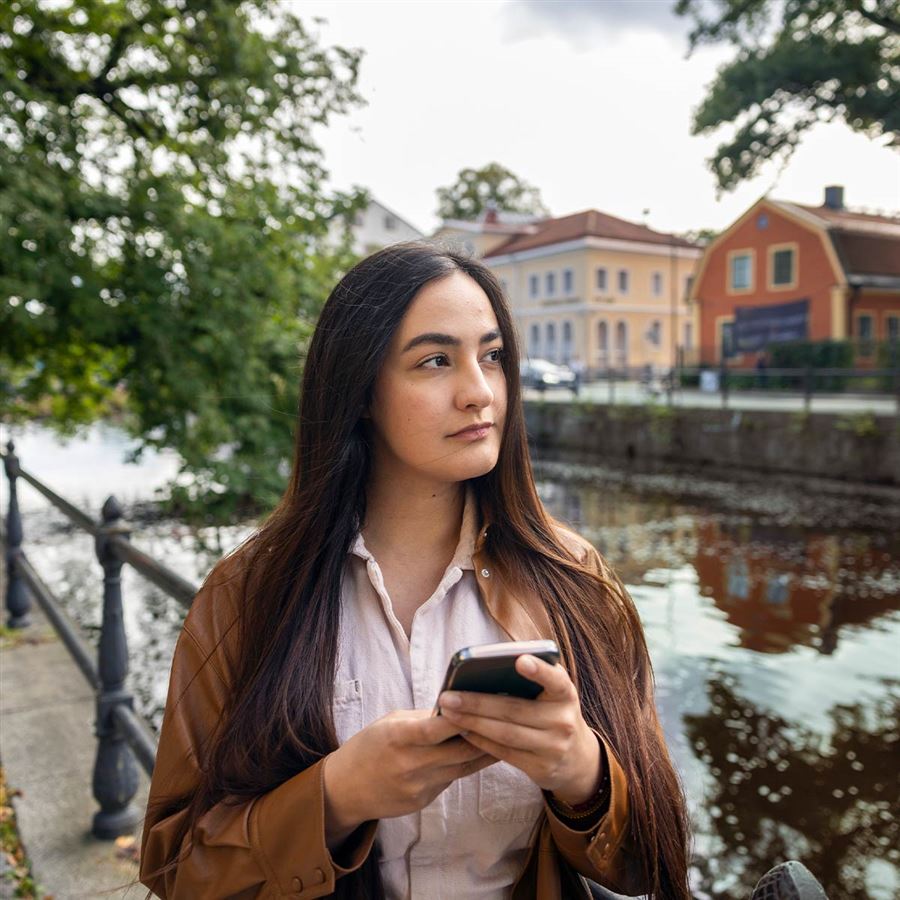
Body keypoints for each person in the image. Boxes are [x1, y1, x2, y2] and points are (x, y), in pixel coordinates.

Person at [139, 243, 692, 899]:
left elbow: (655, 863)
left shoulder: (574, 577)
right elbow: (175, 869)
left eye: (491, 357)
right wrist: (336, 796)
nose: (479, 392)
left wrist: (581, 772)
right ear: (361, 390)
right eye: (436, 361)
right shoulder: (248, 595)